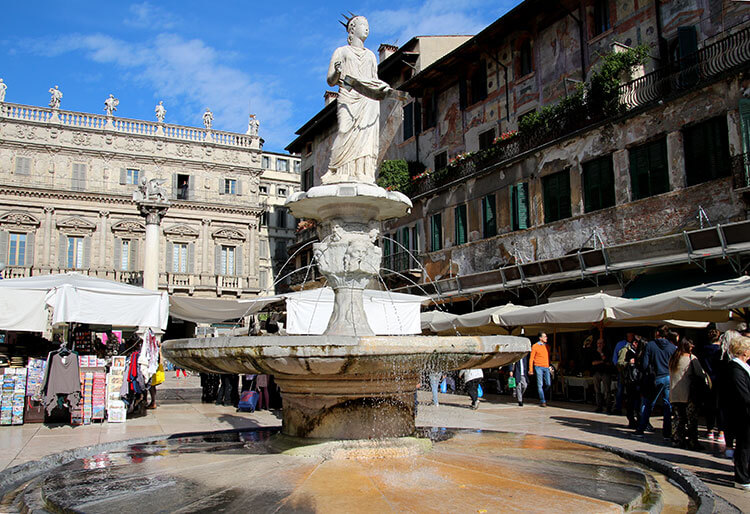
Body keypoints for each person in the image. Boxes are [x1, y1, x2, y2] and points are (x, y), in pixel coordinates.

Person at [323, 15, 406, 184]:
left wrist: (384, 88)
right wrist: (338, 72)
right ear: (352, 29)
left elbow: (373, 80)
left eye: (368, 25)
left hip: (368, 100)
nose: (367, 28)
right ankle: (337, 170)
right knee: (345, 131)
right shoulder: (341, 51)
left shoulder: (370, 56)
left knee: (366, 137)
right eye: (363, 24)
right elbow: (330, 80)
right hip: (348, 96)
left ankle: (363, 171)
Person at [635, 326, 676, 437]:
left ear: (657, 333)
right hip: (668, 376)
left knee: (648, 404)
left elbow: (644, 364)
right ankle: (667, 432)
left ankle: (641, 429)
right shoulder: (672, 347)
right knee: (667, 405)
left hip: (655, 377)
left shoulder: (650, 345)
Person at [669, 338, 709, 449]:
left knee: (678, 418)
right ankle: (692, 441)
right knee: (691, 419)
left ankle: (677, 440)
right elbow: (700, 376)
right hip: (689, 394)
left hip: (675, 393)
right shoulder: (692, 359)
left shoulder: (673, 359)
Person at [725, 336, 750, 491]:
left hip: (746, 413)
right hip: (743, 414)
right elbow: (743, 395)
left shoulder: (743, 367)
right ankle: (742, 478)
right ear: (744, 351)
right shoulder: (735, 369)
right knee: (744, 445)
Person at [699, 329, 725, 443]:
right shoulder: (721, 352)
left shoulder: (703, 351)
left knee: (709, 407)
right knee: (720, 407)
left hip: (707, 381)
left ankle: (709, 430)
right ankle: (720, 432)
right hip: (720, 381)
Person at [618, 334, 643, 428]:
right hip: (630, 380)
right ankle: (631, 419)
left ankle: (639, 419)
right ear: (634, 343)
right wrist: (628, 363)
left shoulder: (640, 352)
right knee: (631, 401)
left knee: (638, 401)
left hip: (638, 381)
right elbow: (620, 363)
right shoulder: (626, 351)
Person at [612, 332, 635, 414]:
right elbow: (615, 357)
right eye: (629, 335)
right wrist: (618, 367)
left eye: (631, 335)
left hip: (632, 372)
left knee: (631, 391)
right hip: (622, 371)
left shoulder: (635, 344)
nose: (630, 337)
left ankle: (631, 409)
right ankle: (618, 408)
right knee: (620, 390)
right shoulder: (620, 344)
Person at [590, 337, 614, 413]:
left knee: (607, 390)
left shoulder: (607, 351)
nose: (599, 345)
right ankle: (599, 406)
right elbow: (593, 363)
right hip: (596, 372)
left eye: (600, 343)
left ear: (604, 344)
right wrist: (602, 361)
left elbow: (608, 361)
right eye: (598, 343)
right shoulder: (594, 351)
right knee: (597, 390)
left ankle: (608, 407)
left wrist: (601, 353)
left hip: (605, 372)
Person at [529, 332, 551, 407]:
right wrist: (531, 369)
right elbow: (531, 358)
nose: (546, 338)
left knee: (548, 384)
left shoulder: (547, 346)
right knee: (540, 384)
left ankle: (542, 394)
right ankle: (542, 400)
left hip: (546, 367)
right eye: (545, 337)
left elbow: (548, 357)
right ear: (540, 338)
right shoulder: (535, 346)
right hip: (538, 367)